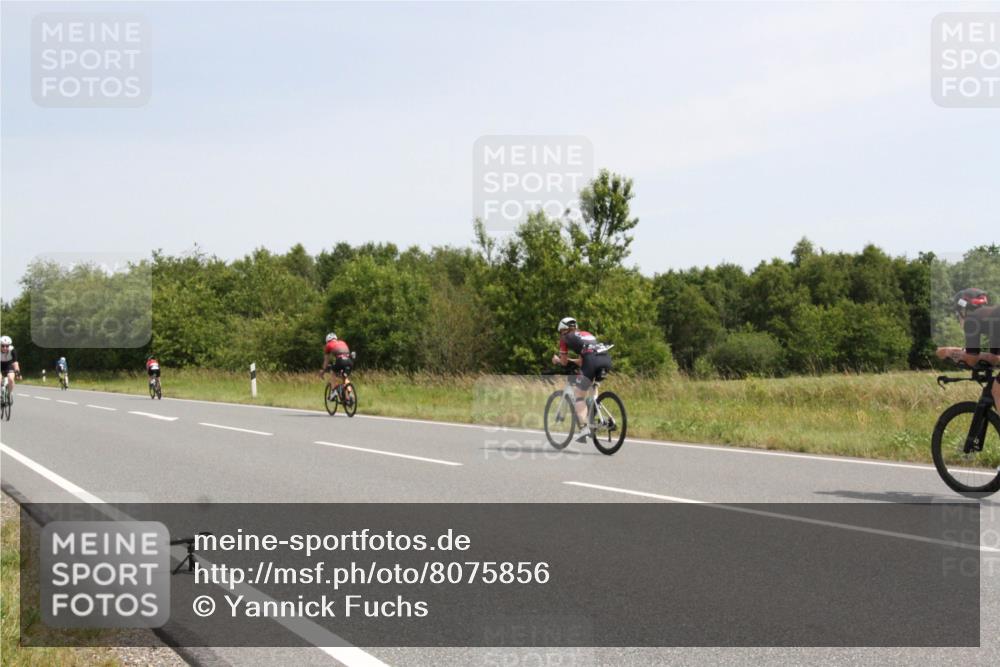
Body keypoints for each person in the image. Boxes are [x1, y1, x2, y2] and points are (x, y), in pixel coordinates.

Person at [550, 317, 613, 442]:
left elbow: (563, 362)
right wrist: (573, 361)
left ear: (562, 329)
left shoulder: (565, 338)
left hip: (592, 361)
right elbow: (581, 361)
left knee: (578, 394)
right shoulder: (585, 334)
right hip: (606, 360)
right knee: (592, 386)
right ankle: (595, 409)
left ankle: (584, 429)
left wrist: (557, 360)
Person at [936, 288, 1000, 408]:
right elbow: (994, 358)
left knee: (997, 390)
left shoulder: (972, 319)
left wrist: (949, 352)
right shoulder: (993, 319)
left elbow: (972, 360)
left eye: (958, 312)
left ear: (963, 309)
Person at [319, 333, 352, 398]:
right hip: (349, 361)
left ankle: (333, 391)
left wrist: (323, 371)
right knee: (345, 377)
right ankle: (349, 394)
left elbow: (326, 360)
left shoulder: (328, 345)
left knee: (332, 371)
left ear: (327, 340)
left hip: (341, 360)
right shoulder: (342, 342)